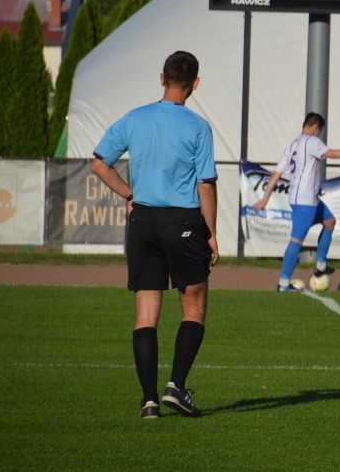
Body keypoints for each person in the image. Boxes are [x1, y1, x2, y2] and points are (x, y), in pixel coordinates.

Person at [90, 51, 218, 419]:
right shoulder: (198, 127)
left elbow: (99, 163)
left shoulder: (135, 117)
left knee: (146, 315)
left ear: (162, 78)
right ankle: (175, 386)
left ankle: (148, 401)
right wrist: (210, 233)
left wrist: (130, 195)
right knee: (193, 307)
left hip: (143, 222)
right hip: (183, 222)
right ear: (195, 83)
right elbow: (205, 186)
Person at [254, 113, 340, 291]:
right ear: (315, 127)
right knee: (296, 241)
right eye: (319, 130)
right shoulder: (311, 141)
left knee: (330, 221)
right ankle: (283, 284)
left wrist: (265, 198)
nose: (319, 134)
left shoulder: (292, 145)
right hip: (305, 202)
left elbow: (276, 173)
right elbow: (331, 154)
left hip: (308, 200)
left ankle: (320, 265)